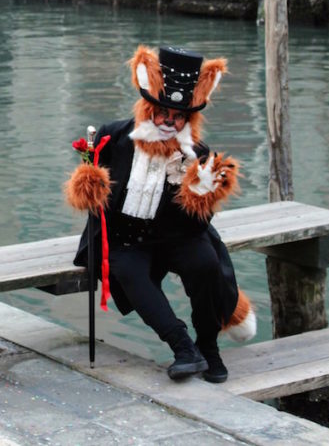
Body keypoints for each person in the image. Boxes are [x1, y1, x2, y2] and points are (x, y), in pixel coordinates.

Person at [64, 45, 256, 383]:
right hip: (126, 238)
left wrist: (200, 194)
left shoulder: (196, 154)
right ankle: (183, 347)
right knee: (127, 270)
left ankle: (208, 347)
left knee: (206, 264)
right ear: (149, 109)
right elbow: (88, 203)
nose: (169, 121)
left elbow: (198, 224)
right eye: (163, 113)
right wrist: (87, 186)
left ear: (188, 119)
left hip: (176, 235)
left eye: (178, 117)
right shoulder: (114, 137)